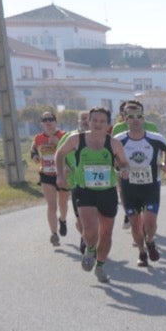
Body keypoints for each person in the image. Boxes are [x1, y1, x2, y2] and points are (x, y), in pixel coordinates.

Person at [54, 105, 124, 285]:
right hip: (84, 191)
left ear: (108, 124)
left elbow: (124, 163)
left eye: (102, 121)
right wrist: (60, 175)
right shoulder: (76, 139)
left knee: (106, 234)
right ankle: (90, 249)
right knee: (91, 231)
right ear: (89, 122)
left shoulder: (114, 143)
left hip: (108, 192)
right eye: (94, 120)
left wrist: (124, 169)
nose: (98, 124)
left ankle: (100, 266)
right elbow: (59, 154)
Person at [114, 99, 166, 267]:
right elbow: (112, 158)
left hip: (150, 186)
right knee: (135, 224)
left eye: (139, 116)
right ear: (125, 119)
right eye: (131, 117)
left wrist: (165, 163)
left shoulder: (155, 138)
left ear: (143, 118)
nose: (135, 120)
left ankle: (150, 240)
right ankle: (141, 252)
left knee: (150, 222)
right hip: (128, 188)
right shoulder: (118, 140)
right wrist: (120, 167)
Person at [29, 111, 68, 246]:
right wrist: (34, 156)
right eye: (45, 120)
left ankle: (63, 220)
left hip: (62, 174)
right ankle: (54, 234)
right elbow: (33, 149)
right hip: (46, 174)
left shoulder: (64, 136)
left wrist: (59, 143)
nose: (48, 122)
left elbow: (72, 152)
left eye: (50, 119)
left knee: (63, 204)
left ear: (56, 121)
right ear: (41, 123)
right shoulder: (39, 138)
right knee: (52, 206)